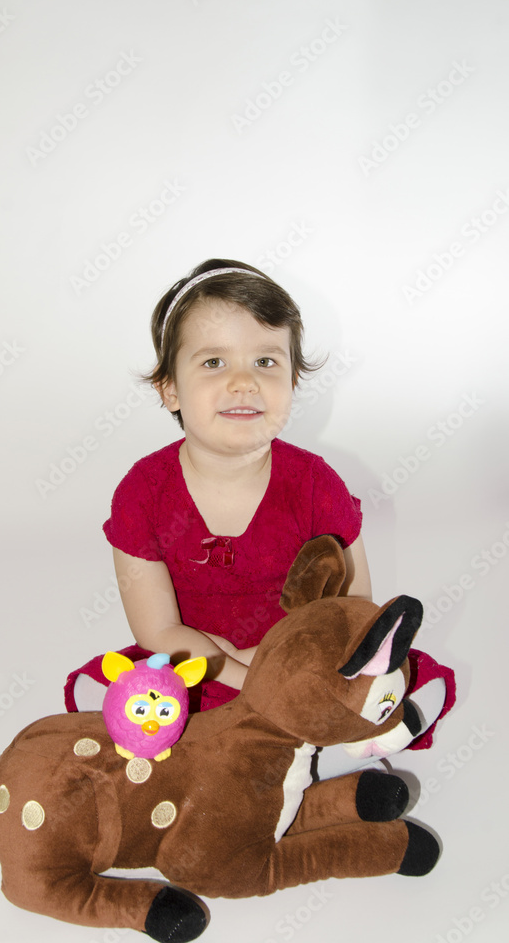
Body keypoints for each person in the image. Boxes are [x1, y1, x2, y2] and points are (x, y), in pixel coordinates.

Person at [64, 260, 455, 758]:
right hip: (198, 663)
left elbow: (353, 604)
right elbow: (157, 628)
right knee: (129, 704)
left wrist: (288, 665)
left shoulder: (315, 483)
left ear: (293, 381)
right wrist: (240, 671)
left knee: (399, 677)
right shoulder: (143, 491)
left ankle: (344, 753)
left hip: (305, 660)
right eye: (213, 363)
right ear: (169, 389)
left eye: (266, 362)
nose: (244, 382)